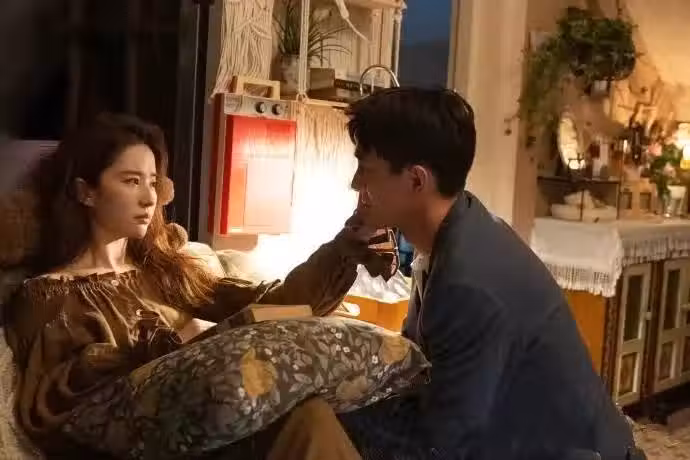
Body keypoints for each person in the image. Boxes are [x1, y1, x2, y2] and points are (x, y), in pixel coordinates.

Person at [2, 113, 379, 459]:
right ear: (86, 191)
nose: (149, 197)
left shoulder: (167, 271)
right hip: (156, 448)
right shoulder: (49, 296)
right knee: (303, 421)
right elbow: (63, 412)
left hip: (224, 433)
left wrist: (348, 244)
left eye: (153, 182)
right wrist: (176, 343)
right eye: (131, 181)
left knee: (308, 413)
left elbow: (274, 306)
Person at [339, 87, 644, 460]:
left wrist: (337, 415)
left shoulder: (469, 281)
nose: (356, 183)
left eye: (366, 170)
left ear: (416, 181)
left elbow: (441, 446)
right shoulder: (457, 225)